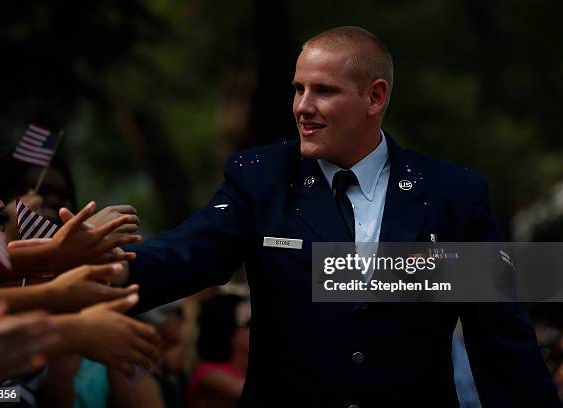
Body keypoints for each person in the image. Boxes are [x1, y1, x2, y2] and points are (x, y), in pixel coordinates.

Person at [118, 26, 559, 406]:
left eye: (323, 91)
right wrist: (85, 267)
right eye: (298, 89)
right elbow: (184, 255)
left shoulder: (453, 195)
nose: (302, 107)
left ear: (375, 97)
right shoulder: (261, 179)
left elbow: (502, 344)